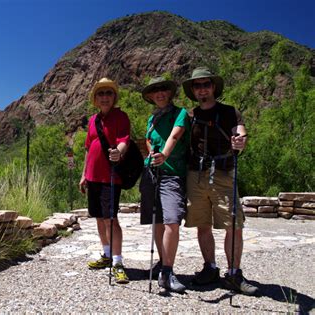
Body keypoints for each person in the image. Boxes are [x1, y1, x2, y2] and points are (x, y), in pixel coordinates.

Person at [182, 67, 258, 296]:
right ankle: (210, 268)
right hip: (196, 174)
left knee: (233, 225)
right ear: (193, 90)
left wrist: (240, 141)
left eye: (206, 84)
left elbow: (240, 132)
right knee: (202, 224)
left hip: (224, 173)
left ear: (213, 87)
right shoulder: (190, 115)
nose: (202, 89)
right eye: (197, 85)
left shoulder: (229, 112)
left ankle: (234, 273)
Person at [139, 76, 189, 293]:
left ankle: (167, 270)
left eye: (163, 90)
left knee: (171, 221)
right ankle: (162, 263)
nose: (159, 93)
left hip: (171, 174)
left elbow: (175, 136)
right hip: (151, 172)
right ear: (150, 96)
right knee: (157, 221)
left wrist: (164, 155)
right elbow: (149, 139)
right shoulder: (152, 118)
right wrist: (152, 152)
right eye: (155, 91)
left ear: (169, 93)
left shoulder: (181, 114)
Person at [79, 77, 130, 284]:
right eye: (101, 93)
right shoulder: (93, 120)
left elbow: (124, 141)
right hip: (93, 177)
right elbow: (88, 148)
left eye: (109, 93)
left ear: (114, 97)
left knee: (111, 219)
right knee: (99, 217)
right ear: (95, 99)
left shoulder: (121, 117)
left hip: (111, 176)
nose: (105, 97)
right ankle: (107, 255)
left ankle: (117, 262)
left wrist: (118, 152)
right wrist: (83, 174)